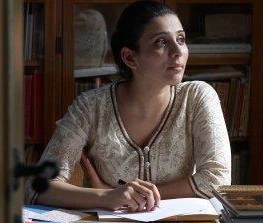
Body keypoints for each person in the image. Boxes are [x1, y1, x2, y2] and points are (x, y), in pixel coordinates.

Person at [25, 0, 231, 212]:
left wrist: (135, 197)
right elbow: (36, 187)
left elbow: (217, 181)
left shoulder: (197, 97)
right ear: (130, 57)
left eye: (181, 39)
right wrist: (105, 196)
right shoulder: (90, 108)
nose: (178, 51)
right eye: (161, 42)